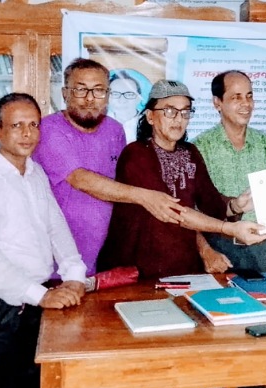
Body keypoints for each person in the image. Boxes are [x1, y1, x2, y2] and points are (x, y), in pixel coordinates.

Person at [97, 79, 266, 388]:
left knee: (163, 370)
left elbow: (211, 203)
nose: (178, 119)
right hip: (134, 276)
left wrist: (236, 205)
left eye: (185, 112)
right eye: (170, 111)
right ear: (150, 116)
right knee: (128, 373)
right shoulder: (136, 155)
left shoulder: (190, 153)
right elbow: (173, 211)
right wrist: (229, 228)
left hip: (178, 277)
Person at [0, 93, 87, 388]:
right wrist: (42, 296)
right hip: (4, 309)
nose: (27, 133)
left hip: (39, 301)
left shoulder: (36, 173)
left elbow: (56, 227)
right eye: (17, 126)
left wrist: (74, 275)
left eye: (33, 125)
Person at [33, 58, 186, 283]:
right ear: (65, 94)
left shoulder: (114, 130)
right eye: (80, 90)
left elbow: (120, 183)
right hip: (58, 262)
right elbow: (80, 179)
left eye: (98, 90)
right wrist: (145, 197)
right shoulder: (48, 129)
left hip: (105, 259)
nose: (90, 98)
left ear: (107, 95)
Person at [191, 70, 266, 388]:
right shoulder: (200, 148)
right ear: (217, 103)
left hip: (261, 251)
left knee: (261, 334)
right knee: (213, 338)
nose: (246, 104)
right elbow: (189, 211)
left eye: (250, 95)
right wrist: (206, 250)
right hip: (218, 250)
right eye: (236, 97)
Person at [108, 68, 149, 143]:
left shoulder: (148, 124)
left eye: (129, 94)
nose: (122, 100)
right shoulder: (100, 123)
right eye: (115, 94)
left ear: (139, 98)